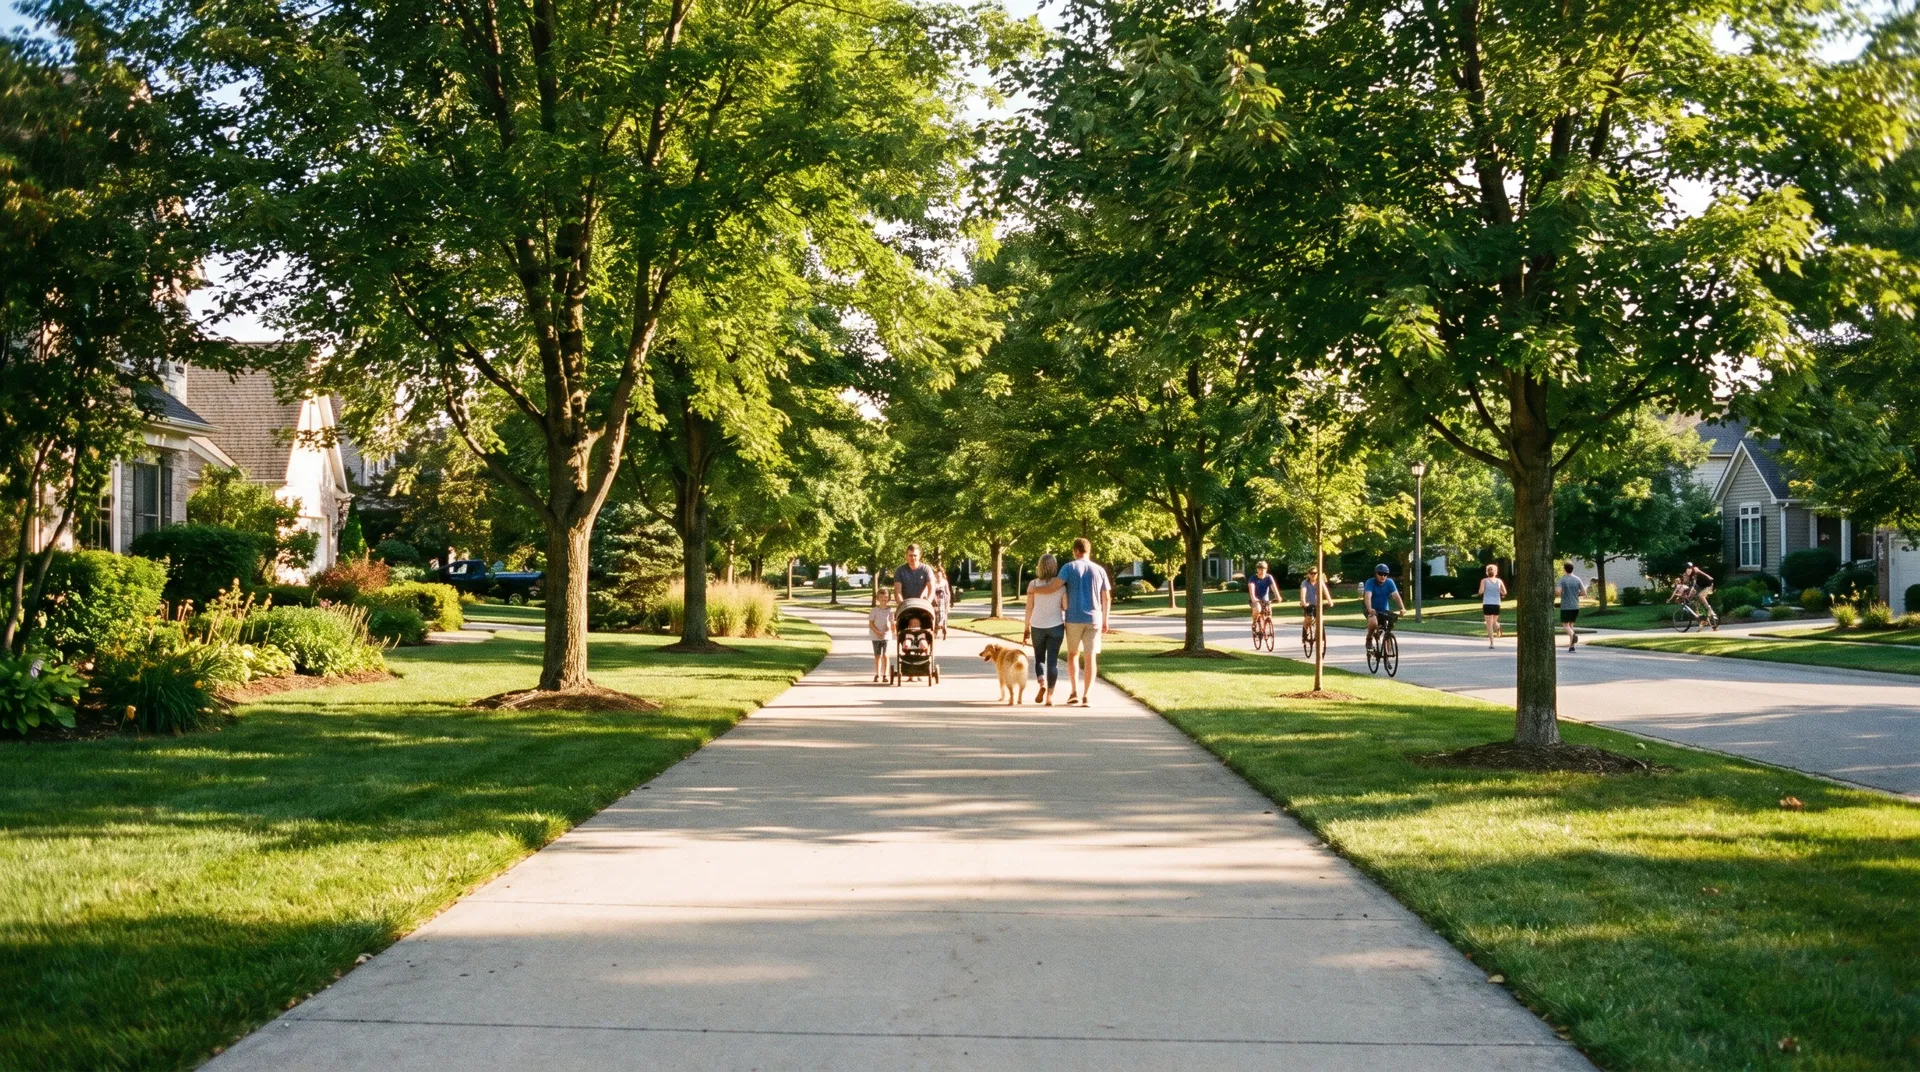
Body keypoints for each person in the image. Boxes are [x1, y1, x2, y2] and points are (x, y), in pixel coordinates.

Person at [1057, 537, 1111, 706]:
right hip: (1094, 618)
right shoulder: (1099, 570)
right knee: (1090, 657)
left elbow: (1057, 587)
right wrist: (1105, 619)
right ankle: (1087, 695)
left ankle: (1074, 691)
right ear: (1089, 551)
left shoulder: (1068, 567)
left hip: (1073, 618)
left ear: (1076, 551)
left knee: (1073, 654)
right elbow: (1106, 597)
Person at [1022, 554, 1068, 704]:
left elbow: (1029, 607)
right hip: (1056, 626)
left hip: (1037, 626)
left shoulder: (1033, 584)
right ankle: (1049, 696)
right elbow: (1065, 606)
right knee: (1052, 662)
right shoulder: (1060, 586)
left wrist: (1026, 628)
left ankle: (1041, 683)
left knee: (1039, 659)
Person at [1362, 563, 1407, 649]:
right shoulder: (1370, 582)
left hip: (1384, 609)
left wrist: (1402, 608)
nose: (1383, 576)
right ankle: (1369, 638)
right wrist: (1370, 609)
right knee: (1373, 622)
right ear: (1376, 574)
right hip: (1370, 608)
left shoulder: (1389, 582)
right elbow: (1368, 596)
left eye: (1385, 574)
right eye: (1380, 574)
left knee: (1388, 629)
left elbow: (1395, 595)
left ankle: (1388, 654)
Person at [1299, 565, 1333, 649]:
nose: (1313, 575)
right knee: (1309, 617)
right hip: (1308, 604)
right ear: (1308, 574)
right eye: (1311, 573)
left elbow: (1325, 591)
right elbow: (1303, 592)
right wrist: (1303, 601)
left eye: (1315, 573)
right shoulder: (1305, 583)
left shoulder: (1320, 582)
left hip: (1318, 604)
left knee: (1320, 619)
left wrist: (1330, 601)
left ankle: (1320, 635)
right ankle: (1304, 630)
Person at [1677, 562, 1718, 630]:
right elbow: (1688, 587)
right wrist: (1683, 596)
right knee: (1692, 600)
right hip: (1700, 586)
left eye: (1690, 568)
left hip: (1709, 585)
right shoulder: (1687, 575)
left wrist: (1688, 594)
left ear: (1692, 568)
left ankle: (1710, 611)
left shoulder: (1695, 571)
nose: (1688, 570)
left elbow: (1693, 585)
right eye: (1687, 568)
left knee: (1700, 595)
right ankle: (1701, 618)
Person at [1558, 562, 1589, 651]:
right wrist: (1575, 594)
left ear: (1564, 569)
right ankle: (1572, 647)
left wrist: (1562, 593)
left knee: (1565, 624)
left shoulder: (1562, 580)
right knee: (1571, 625)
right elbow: (1584, 593)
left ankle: (1573, 635)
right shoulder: (1577, 579)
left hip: (1566, 606)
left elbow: (1558, 592)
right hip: (1575, 606)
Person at [1477, 564, 1509, 648]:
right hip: (1496, 604)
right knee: (1493, 622)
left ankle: (1492, 642)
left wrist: (1479, 593)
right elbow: (1504, 592)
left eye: (1490, 570)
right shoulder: (1499, 581)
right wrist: (1500, 592)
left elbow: (1481, 591)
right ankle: (1497, 627)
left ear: (1487, 572)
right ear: (1496, 572)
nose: (1490, 571)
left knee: (1489, 624)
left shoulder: (1484, 581)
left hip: (1487, 604)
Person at [1247, 561, 1280, 639]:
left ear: (1266, 569)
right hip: (1256, 600)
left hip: (1265, 600)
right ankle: (1254, 622)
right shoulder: (1253, 578)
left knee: (1268, 612)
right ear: (1257, 569)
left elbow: (1273, 587)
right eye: (1260, 569)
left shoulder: (1269, 577)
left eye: (1263, 569)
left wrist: (1278, 596)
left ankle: (1265, 628)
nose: (1262, 571)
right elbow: (1251, 588)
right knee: (1258, 609)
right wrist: (1253, 598)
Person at [868, 588, 894, 682]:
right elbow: (871, 624)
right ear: (878, 598)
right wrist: (877, 632)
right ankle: (877, 674)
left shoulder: (890, 610)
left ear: (889, 598)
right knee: (877, 655)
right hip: (875, 636)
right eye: (881, 597)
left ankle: (885, 675)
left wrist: (889, 626)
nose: (884, 599)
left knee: (885, 655)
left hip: (886, 636)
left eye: (886, 597)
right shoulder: (874, 610)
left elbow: (892, 623)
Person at [931, 566, 951, 639]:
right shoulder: (933, 582)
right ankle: (935, 631)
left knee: (943, 616)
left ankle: (944, 631)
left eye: (939, 575)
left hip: (943, 601)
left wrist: (948, 603)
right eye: (936, 575)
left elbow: (947, 593)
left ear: (942, 575)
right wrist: (934, 598)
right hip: (935, 602)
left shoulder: (944, 582)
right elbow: (932, 592)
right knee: (935, 616)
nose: (938, 577)